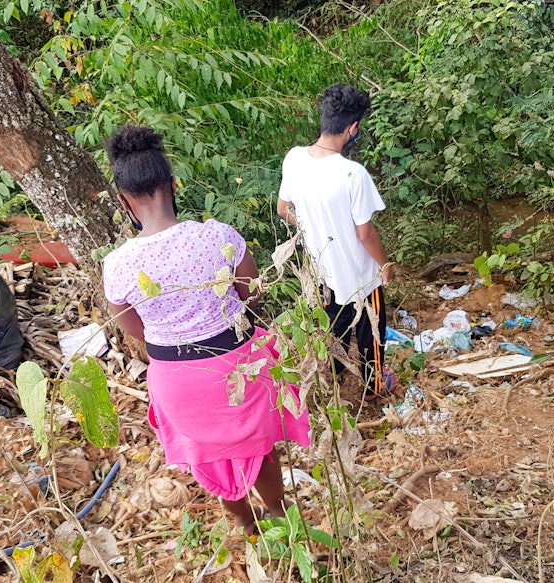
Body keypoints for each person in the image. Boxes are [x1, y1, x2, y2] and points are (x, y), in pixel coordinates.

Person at [102, 125, 310, 534]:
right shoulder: (217, 235)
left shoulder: (118, 263)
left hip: (177, 378)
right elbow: (250, 294)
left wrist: (165, 333)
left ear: (125, 201)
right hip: (238, 364)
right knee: (261, 449)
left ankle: (244, 525)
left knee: (210, 455)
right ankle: (279, 515)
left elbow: (127, 322)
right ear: (173, 185)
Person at [277, 83, 393, 400]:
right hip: (362, 276)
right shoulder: (352, 174)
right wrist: (386, 265)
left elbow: (284, 209)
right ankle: (374, 389)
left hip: (323, 273)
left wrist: (313, 229)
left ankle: (334, 386)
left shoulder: (294, 159)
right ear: (352, 128)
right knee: (372, 334)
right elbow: (365, 234)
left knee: (333, 330)